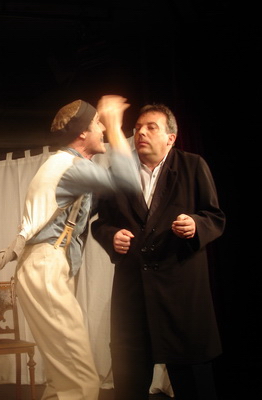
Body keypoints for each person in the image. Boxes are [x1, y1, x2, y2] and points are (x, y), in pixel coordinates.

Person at [0, 95, 140, 400]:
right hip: (46, 267)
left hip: (47, 268)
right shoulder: (71, 167)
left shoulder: (70, 167)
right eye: (97, 123)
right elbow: (128, 179)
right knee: (80, 378)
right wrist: (115, 126)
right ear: (82, 132)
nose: (102, 129)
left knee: (62, 379)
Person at [91, 103, 226, 400]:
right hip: (133, 297)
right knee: (129, 384)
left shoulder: (192, 166)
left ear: (171, 138)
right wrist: (112, 237)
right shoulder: (117, 173)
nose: (141, 132)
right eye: (138, 127)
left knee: (194, 383)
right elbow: (99, 223)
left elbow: (215, 217)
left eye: (151, 127)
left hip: (181, 295)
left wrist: (196, 224)